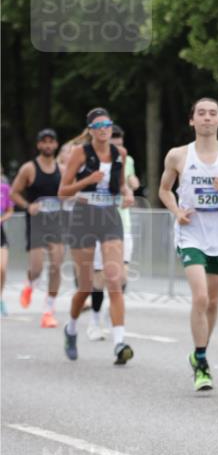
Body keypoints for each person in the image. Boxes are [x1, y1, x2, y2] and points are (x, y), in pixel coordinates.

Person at [159, 97, 218, 391]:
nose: (207, 118)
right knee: (199, 297)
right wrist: (176, 211)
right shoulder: (177, 156)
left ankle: (199, 353)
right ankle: (202, 362)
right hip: (191, 234)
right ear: (192, 120)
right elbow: (164, 190)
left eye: (212, 114)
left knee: (212, 301)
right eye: (201, 113)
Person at [58, 108, 134, 364]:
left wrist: (127, 193)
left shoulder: (119, 154)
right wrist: (87, 180)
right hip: (83, 218)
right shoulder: (80, 153)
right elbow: (63, 191)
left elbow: (121, 184)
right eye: (98, 125)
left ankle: (119, 343)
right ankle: (70, 328)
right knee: (86, 285)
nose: (104, 129)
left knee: (115, 280)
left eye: (107, 124)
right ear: (90, 129)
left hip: (110, 217)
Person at [88, 124, 141, 341]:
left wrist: (132, 185)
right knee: (101, 277)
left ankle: (114, 312)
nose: (118, 147)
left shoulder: (127, 160)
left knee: (121, 276)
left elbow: (131, 181)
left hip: (123, 224)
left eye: (121, 143)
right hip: (101, 223)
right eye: (114, 143)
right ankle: (94, 319)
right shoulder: (97, 161)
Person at [10, 128, 65, 328]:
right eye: (44, 142)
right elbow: (14, 193)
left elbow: (69, 191)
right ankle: (30, 284)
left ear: (56, 145)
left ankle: (49, 310)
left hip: (56, 222)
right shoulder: (29, 168)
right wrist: (28, 206)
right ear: (39, 145)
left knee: (57, 265)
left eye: (51, 141)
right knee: (36, 268)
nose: (48, 145)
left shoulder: (62, 169)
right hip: (36, 223)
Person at [0, 168, 13, 316]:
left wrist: (2, 218)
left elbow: (10, 210)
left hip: (0, 233)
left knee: (2, 269)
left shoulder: (4, 188)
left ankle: (0, 298)